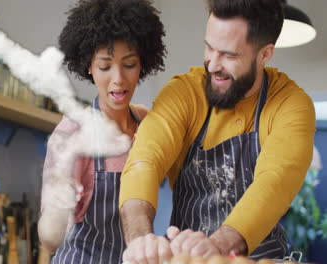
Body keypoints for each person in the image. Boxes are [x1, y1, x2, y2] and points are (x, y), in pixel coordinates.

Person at [120, 0, 316, 262]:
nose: (212, 64)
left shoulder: (290, 105)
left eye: (229, 55)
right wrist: (140, 240)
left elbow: (274, 182)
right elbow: (144, 162)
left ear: (265, 54)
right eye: (209, 47)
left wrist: (216, 247)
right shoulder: (184, 93)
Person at [38, 0, 166, 263]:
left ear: (142, 64)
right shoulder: (73, 132)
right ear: (89, 66)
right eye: (105, 66)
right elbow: (50, 239)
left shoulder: (146, 123)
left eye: (129, 64)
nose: (118, 79)